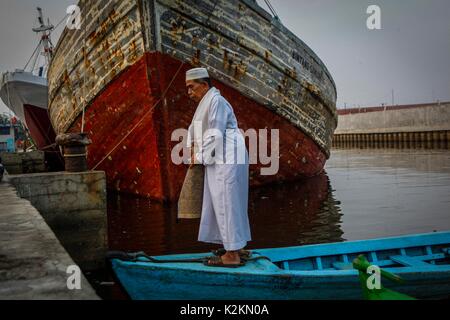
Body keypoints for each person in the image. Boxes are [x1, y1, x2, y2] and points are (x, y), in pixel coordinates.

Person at [185, 67, 251, 267]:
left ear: (204, 85)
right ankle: (235, 246)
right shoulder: (208, 102)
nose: (189, 92)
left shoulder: (216, 101)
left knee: (226, 200)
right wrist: (195, 151)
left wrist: (199, 156)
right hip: (222, 155)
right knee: (226, 199)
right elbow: (199, 131)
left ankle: (232, 255)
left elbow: (215, 132)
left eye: (191, 87)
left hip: (227, 154)